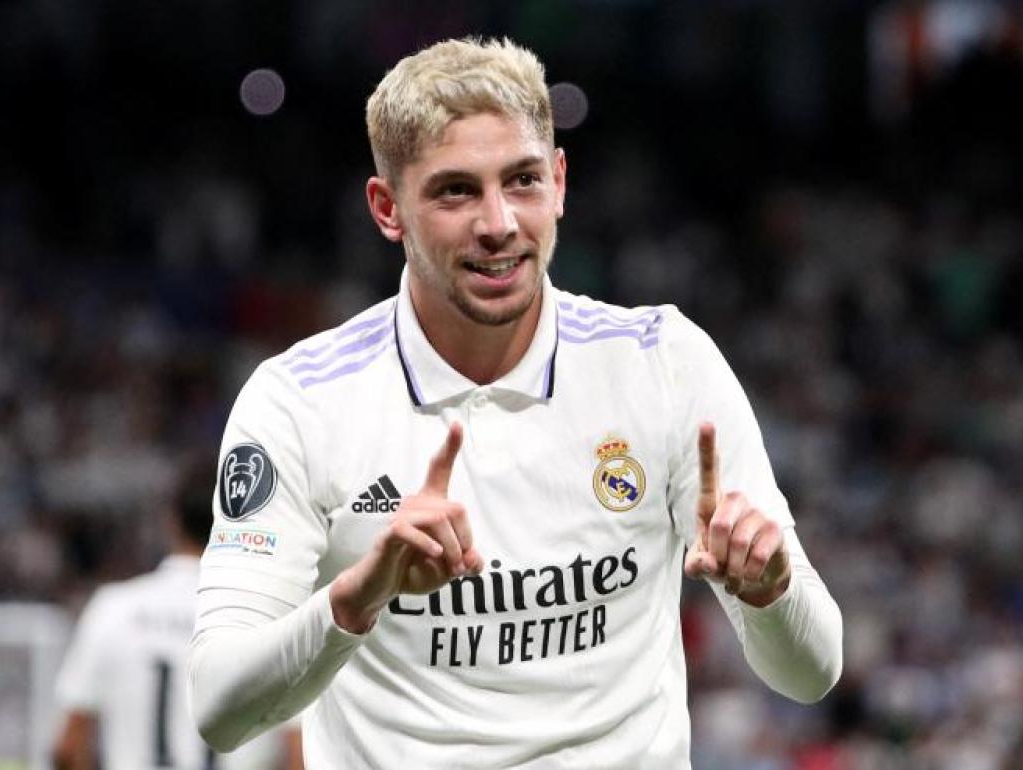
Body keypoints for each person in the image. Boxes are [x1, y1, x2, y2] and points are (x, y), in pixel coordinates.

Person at [189, 37, 843, 767]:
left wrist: (769, 592)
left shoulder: (664, 363)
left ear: (560, 181)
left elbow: (812, 673)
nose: (498, 222)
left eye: (523, 180)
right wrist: (356, 600)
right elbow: (219, 708)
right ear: (387, 208)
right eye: (455, 190)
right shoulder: (300, 402)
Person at [53, 467, 303, 770]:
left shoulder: (113, 609)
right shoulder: (270, 618)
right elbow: (299, 754)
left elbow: (69, 745)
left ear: (171, 520)